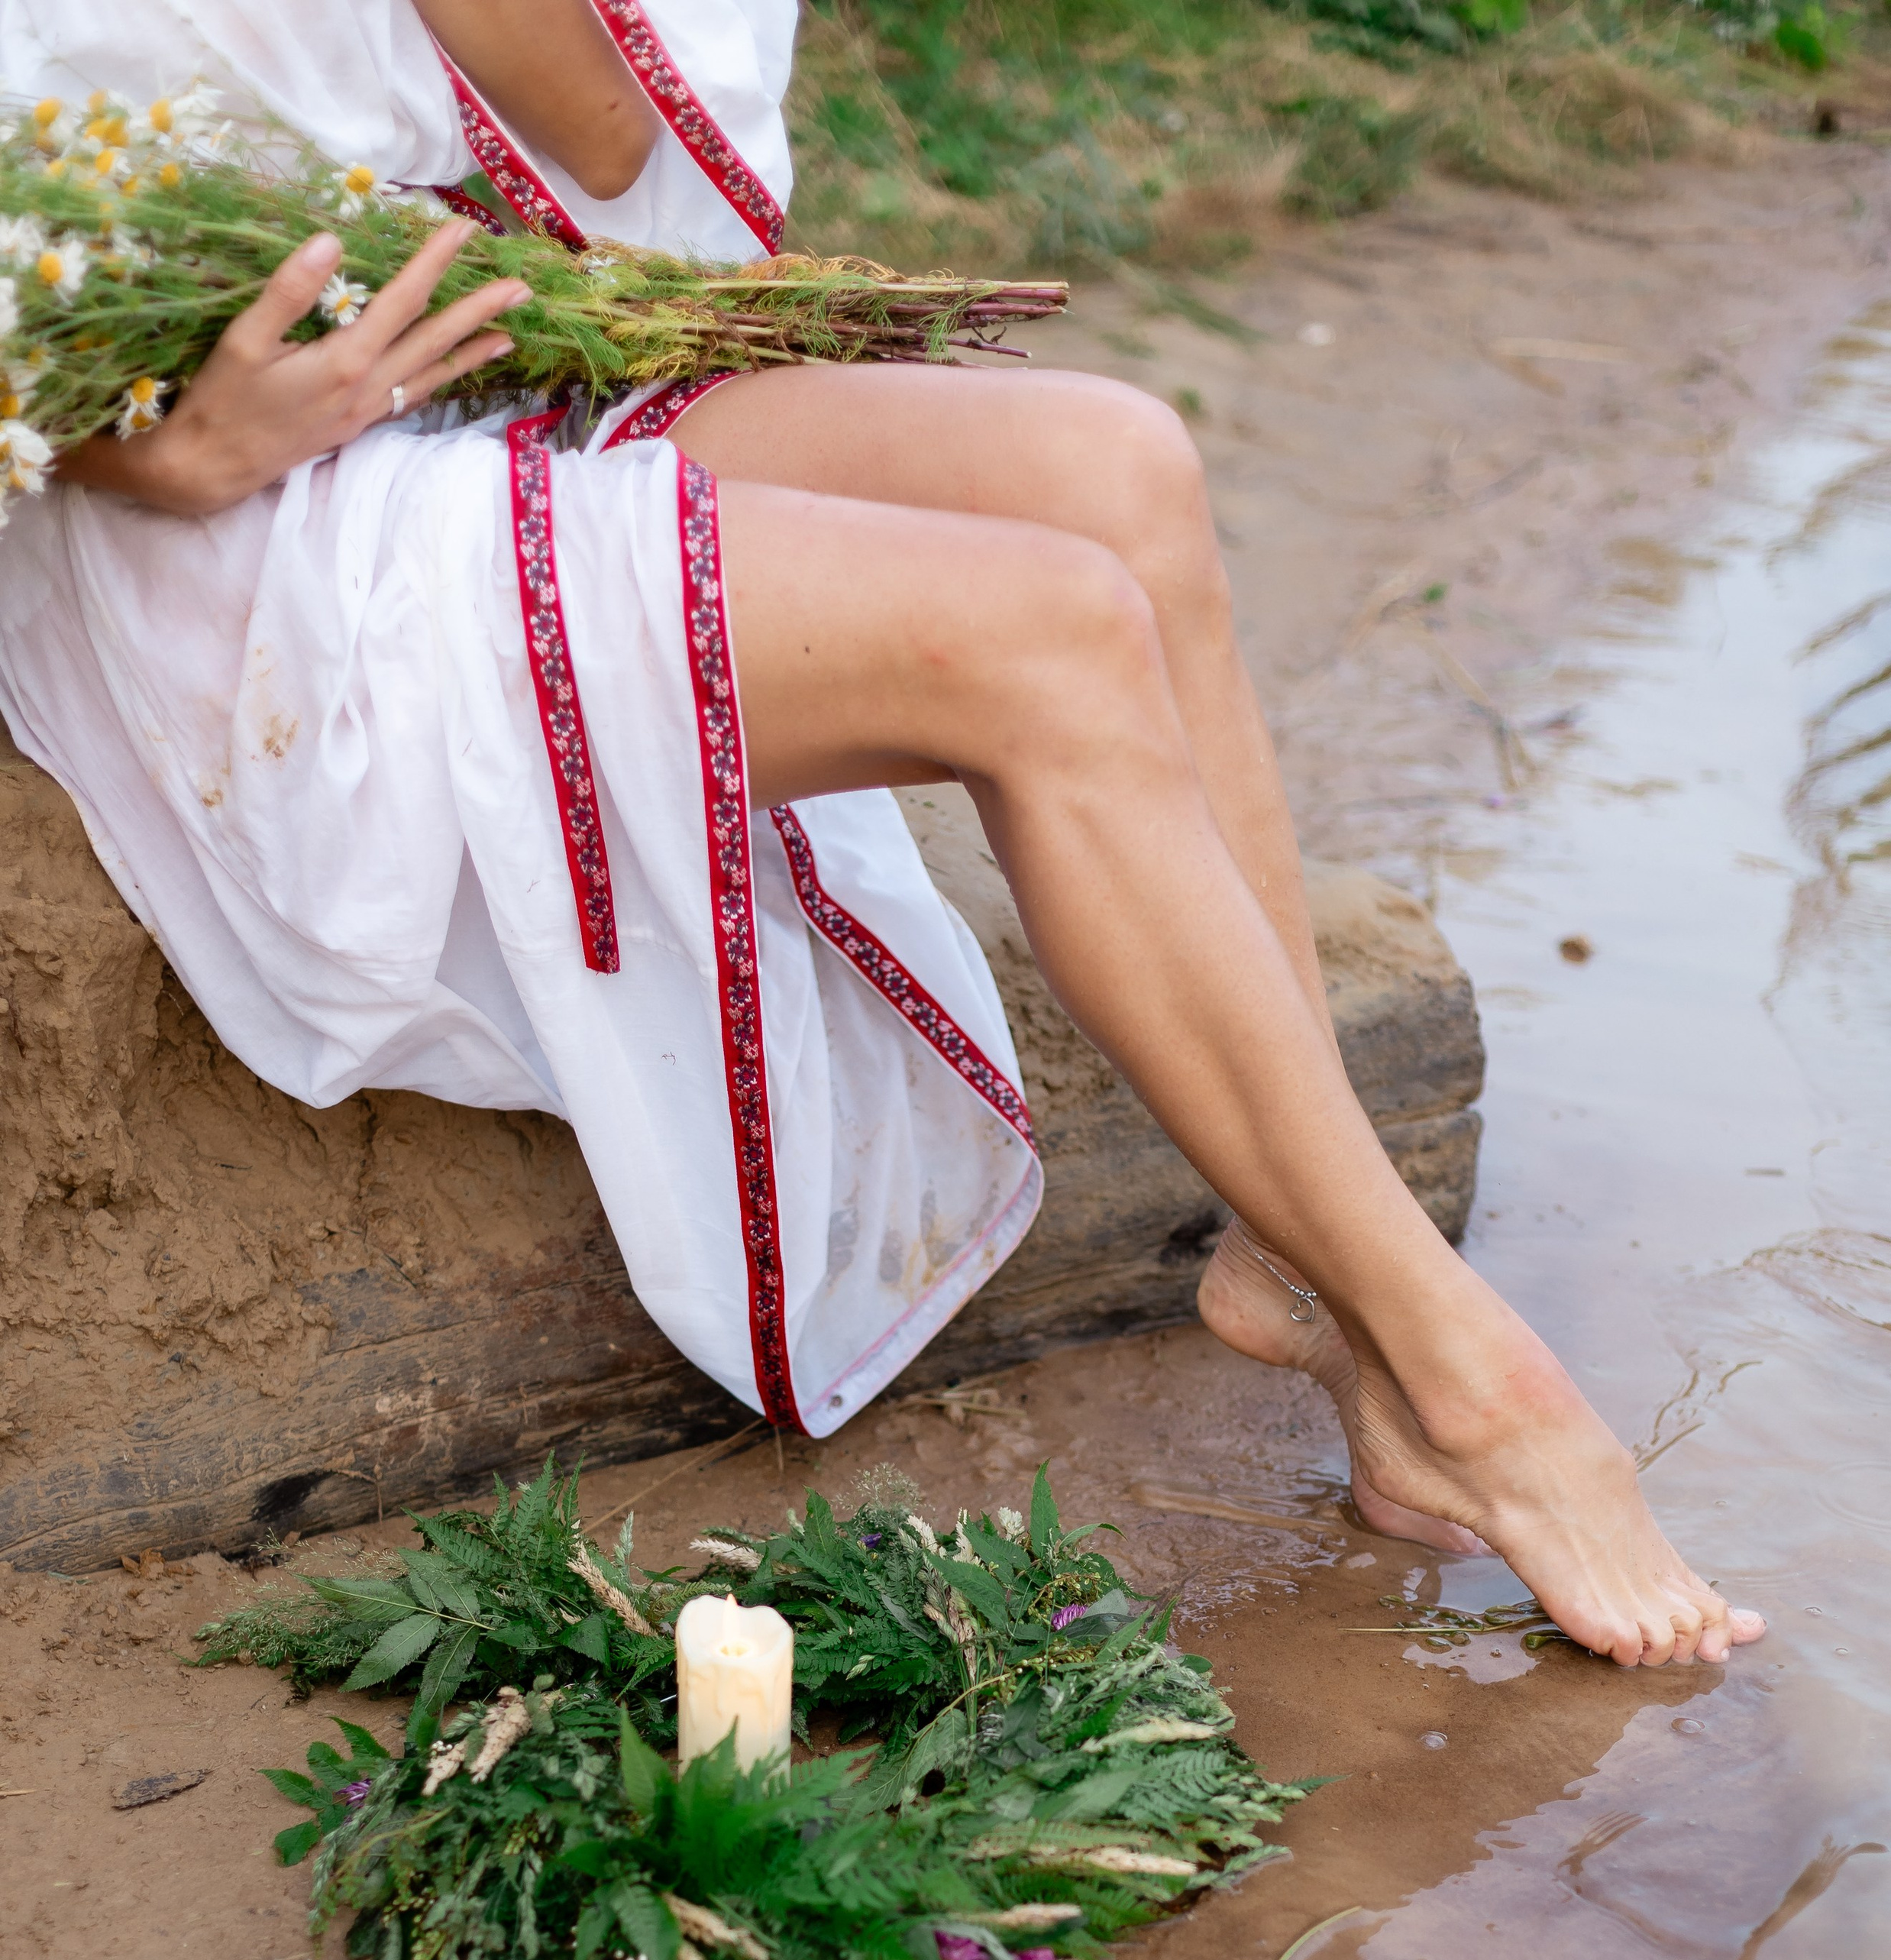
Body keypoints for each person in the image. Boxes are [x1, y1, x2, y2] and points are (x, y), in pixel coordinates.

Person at [2, 0, 1764, 1670]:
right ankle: (1475, 1387)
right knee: (1043, 634)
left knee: (1120, 474)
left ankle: (1310, 1272)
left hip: (441, 348)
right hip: (214, 500)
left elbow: (599, 132)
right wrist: (136, 452)